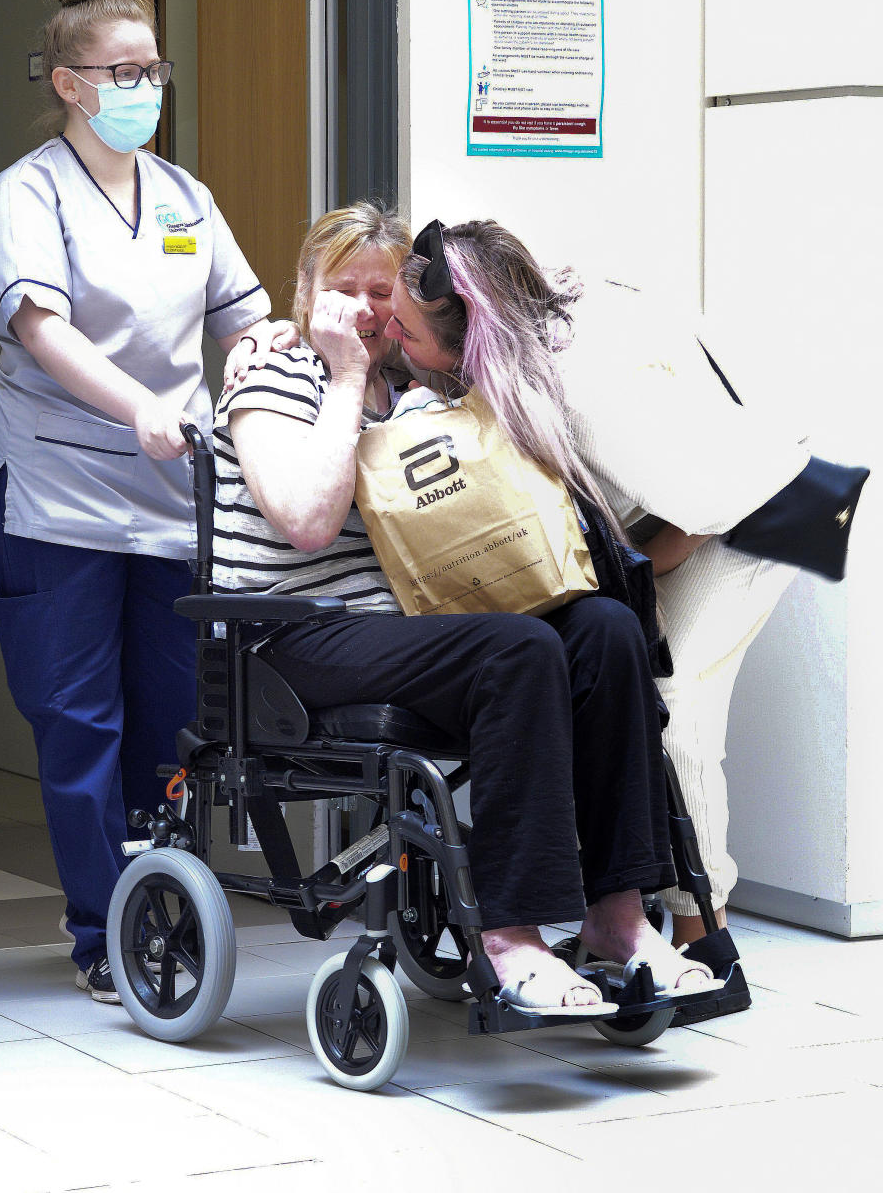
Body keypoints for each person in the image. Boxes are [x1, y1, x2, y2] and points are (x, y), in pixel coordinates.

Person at [212, 201, 721, 1013]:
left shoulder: (416, 394)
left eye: (383, 293)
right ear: (303, 295)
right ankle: (510, 937)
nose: (366, 311)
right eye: (342, 290)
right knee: (515, 649)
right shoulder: (272, 374)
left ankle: (617, 917)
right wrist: (343, 373)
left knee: (606, 629)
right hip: (292, 638)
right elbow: (305, 523)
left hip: (408, 632)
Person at [386, 218, 807, 1018]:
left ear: (464, 330)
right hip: (698, 508)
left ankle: (704, 940)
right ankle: (628, 918)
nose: (397, 344)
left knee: (671, 714)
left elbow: (707, 508)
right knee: (621, 669)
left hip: (759, 515)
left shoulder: (581, 393)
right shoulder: (513, 352)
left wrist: (620, 594)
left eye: (407, 331)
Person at [0, 0, 290, 1002]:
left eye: (154, 68)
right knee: (81, 724)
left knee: (167, 724)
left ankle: (162, 910)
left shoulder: (186, 196)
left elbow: (242, 316)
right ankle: (102, 933)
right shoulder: (26, 195)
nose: (145, 87)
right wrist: (142, 405)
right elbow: (41, 327)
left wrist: (264, 372)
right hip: (59, 494)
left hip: (166, 504)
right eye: (123, 70)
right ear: (69, 82)